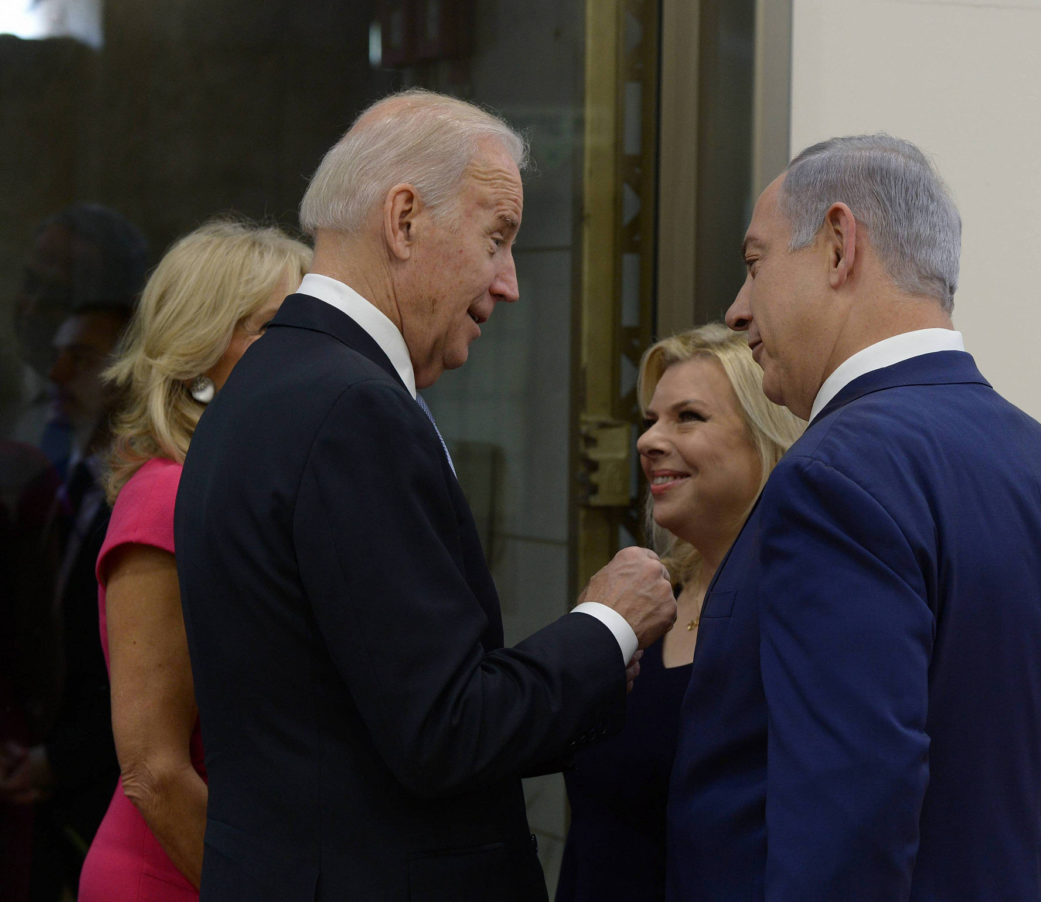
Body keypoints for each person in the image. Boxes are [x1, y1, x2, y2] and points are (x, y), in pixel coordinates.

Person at [172, 88, 677, 901]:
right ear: (404, 221)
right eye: (498, 237)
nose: (509, 283)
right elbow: (445, 730)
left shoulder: (270, 384)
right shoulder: (351, 409)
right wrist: (608, 625)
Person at [667, 135, 1041, 901]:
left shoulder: (834, 477)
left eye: (755, 264)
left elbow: (848, 820)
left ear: (836, 245)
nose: (738, 308)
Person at [74, 220, 311, 901]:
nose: (302, 351)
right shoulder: (167, 497)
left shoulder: (234, 487)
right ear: (200, 350)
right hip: (174, 875)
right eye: (275, 327)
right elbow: (154, 769)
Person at [556, 323, 801, 901]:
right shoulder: (643, 603)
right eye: (651, 421)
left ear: (765, 437)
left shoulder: (795, 612)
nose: (648, 442)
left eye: (687, 417)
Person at [0, 204, 146, 902]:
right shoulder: (38, 450)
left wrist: (62, 758)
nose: (58, 370)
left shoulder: (147, 491)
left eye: (82, 356)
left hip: (94, 793)